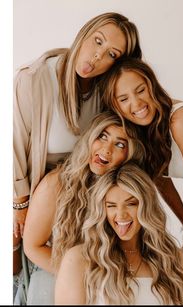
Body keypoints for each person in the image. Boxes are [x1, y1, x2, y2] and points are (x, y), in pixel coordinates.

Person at [13, 11, 142, 297]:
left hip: (84, 193)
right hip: (39, 193)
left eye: (111, 53)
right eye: (97, 41)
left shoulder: (104, 90)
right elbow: (13, 147)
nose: (97, 57)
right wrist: (19, 204)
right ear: (84, 33)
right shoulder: (34, 79)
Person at [100, 57, 183, 305]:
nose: (137, 103)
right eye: (124, 99)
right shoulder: (144, 130)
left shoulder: (180, 120)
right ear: (116, 106)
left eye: (141, 90)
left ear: (153, 85)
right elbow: (161, 181)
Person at [21, 111, 145, 305]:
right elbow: (32, 247)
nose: (106, 149)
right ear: (90, 138)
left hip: (106, 277)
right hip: (53, 270)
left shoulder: (122, 190)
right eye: (102, 136)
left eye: (120, 144)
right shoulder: (56, 184)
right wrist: (76, 275)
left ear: (129, 155)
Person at [55, 162, 183, 305]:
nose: (121, 215)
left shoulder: (172, 258)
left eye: (131, 204)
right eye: (111, 206)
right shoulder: (80, 258)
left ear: (146, 206)